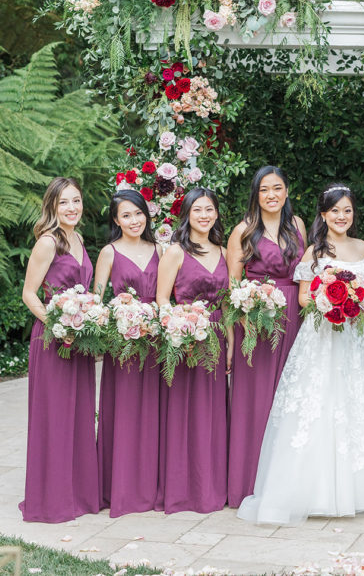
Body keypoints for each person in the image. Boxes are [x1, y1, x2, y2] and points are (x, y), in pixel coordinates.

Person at [238, 184, 364, 525]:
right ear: (324, 215)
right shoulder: (313, 252)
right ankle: (314, 490)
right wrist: (328, 298)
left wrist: (354, 301)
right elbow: (303, 296)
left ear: (353, 214)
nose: (341, 217)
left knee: (359, 405)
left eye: (347, 210)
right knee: (316, 407)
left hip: (354, 339)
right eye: (335, 211)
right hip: (320, 338)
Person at [19, 177, 100, 523]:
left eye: (77, 201)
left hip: (77, 340)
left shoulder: (78, 239)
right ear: (52, 206)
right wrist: (57, 323)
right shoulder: (48, 243)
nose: (72, 208)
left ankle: (78, 494)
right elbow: (28, 293)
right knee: (55, 417)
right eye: (64, 202)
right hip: (53, 340)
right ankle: (51, 498)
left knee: (79, 415)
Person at [226, 166, 306, 507]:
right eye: (264, 189)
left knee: (292, 399)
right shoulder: (243, 230)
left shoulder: (298, 226)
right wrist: (243, 320)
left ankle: (292, 481)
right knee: (258, 400)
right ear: (255, 194)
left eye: (277, 188)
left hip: (297, 320)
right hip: (259, 322)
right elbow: (231, 285)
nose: (271, 195)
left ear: (287, 192)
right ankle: (250, 481)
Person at [155, 187, 231, 513]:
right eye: (197, 209)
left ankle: (211, 488)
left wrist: (229, 344)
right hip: (186, 334)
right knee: (185, 413)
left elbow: (228, 304)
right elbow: (161, 299)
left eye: (209, 209)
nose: (204, 215)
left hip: (217, 335)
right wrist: (178, 327)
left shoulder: (225, 251)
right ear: (186, 213)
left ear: (216, 213)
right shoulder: (175, 252)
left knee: (212, 413)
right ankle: (181, 489)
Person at [95, 190, 163, 517]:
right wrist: (118, 316)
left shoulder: (161, 250)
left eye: (138, 214)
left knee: (154, 414)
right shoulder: (109, 252)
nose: (134, 221)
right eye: (126, 215)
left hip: (157, 344)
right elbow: (96, 301)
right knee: (124, 413)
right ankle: (121, 488)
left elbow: (169, 296)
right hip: (122, 345)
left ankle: (151, 486)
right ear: (115, 220)